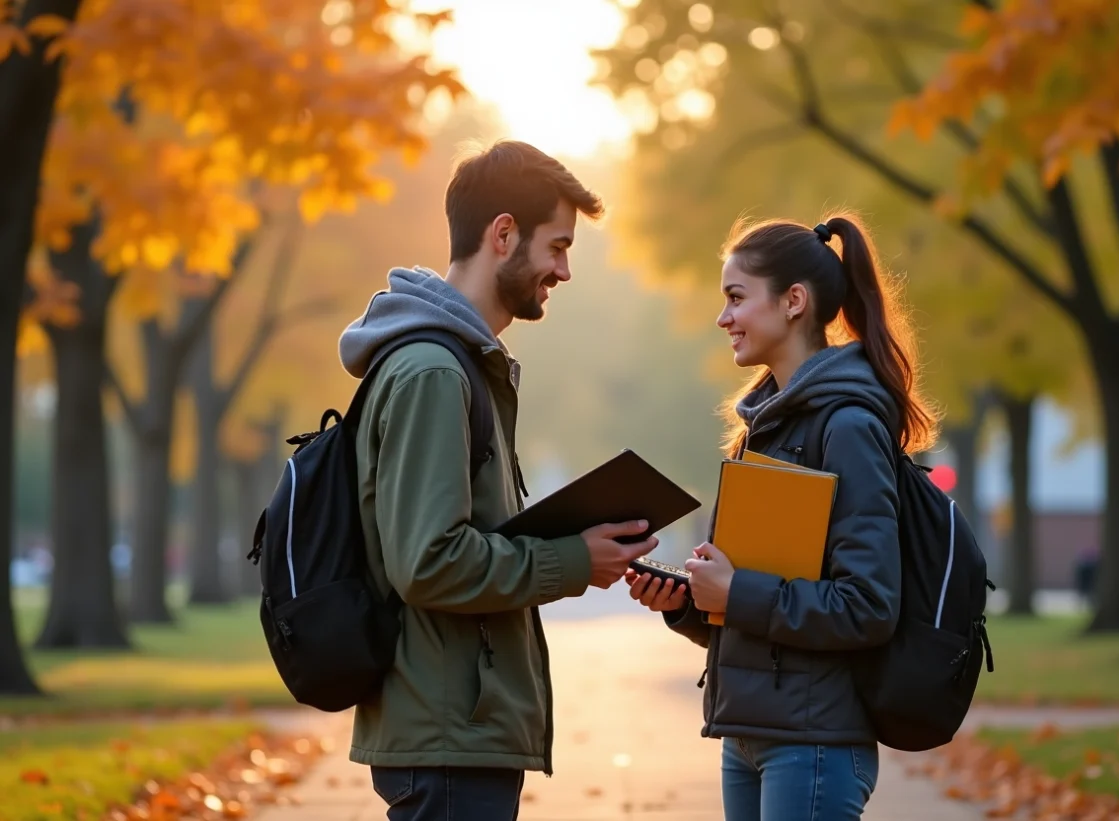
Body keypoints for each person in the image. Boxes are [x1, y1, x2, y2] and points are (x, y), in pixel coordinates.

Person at [339, 140, 659, 821]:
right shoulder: (434, 373)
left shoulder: (457, 365)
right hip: (447, 734)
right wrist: (574, 559)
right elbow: (428, 561)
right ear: (504, 233)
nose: (565, 270)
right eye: (558, 245)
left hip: (457, 727)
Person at [625, 214, 939, 820]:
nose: (724, 318)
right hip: (747, 737)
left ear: (794, 301)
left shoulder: (847, 427)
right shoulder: (761, 430)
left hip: (814, 742)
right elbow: (762, 613)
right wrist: (691, 603)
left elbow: (869, 606)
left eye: (736, 298)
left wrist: (736, 589)